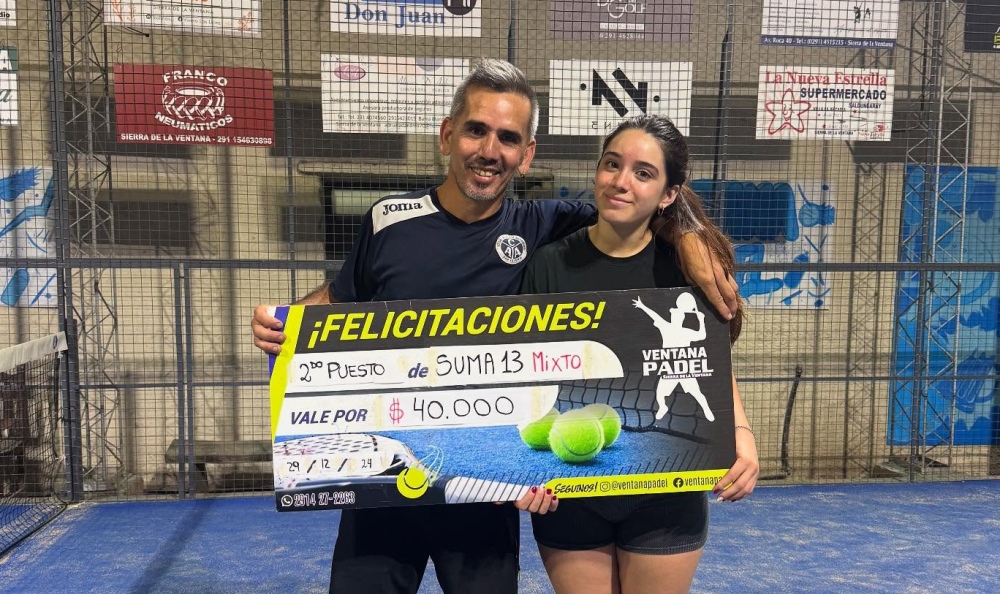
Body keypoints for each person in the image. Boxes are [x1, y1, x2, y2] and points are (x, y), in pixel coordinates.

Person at [251, 59, 740, 594]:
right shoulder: (388, 220)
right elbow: (340, 300)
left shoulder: (544, 227)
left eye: (508, 137)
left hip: (483, 490)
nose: (490, 150)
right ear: (447, 134)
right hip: (386, 484)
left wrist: (692, 237)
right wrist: (286, 322)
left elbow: (640, 206)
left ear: (526, 155)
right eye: (476, 130)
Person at [515, 114, 759, 594]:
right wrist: (519, 467)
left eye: (643, 173)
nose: (620, 182)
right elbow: (526, 374)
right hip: (571, 487)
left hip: (667, 487)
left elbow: (706, 362)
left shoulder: (690, 266)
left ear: (668, 194)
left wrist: (742, 431)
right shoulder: (548, 264)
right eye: (612, 164)